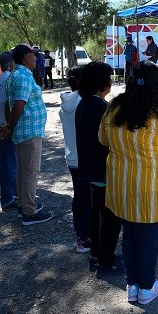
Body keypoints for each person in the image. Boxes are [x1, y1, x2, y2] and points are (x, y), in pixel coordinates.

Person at [98, 60, 158, 304]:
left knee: (129, 235)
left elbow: (103, 138)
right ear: (156, 83)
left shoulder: (113, 108)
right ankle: (147, 288)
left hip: (121, 185)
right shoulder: (157, 113)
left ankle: (132, 285)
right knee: (147, 237)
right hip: (150, 187)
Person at [0, 43, 53, 225]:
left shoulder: (16, 75)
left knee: (23, 171)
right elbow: (19, 104)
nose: (37, 58)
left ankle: (23, 205)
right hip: (29, 131)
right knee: (30, 172)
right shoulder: (23, 77)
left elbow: (9, 104)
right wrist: (10, 126)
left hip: (24, 130)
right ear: (25, 58)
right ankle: (29, 212)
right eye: (33, 55)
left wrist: (10, 126)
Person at [76, 61, 122, 277]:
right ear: (102, 83)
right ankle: (106, 260)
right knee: (110, 218)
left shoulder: (84, 103)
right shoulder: (101, 107)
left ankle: (96, 253)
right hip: (103, 170)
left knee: (97, 214)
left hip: (90, 170)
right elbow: (108, 140)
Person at [59, 66, 88, 252]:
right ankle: (85, 238)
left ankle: (79, 233)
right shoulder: (84, 103)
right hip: (85, 158)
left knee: (79, 198)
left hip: (71, 158)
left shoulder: (65, 104)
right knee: (87, 201)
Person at [0, 51, 18, 211]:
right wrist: (8, 126)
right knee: (9, 163)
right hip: (3, 126)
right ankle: (8, 198)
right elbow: (4, 104)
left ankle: (12, 193)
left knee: (8, 162)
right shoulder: (7, 79)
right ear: (11, 64)